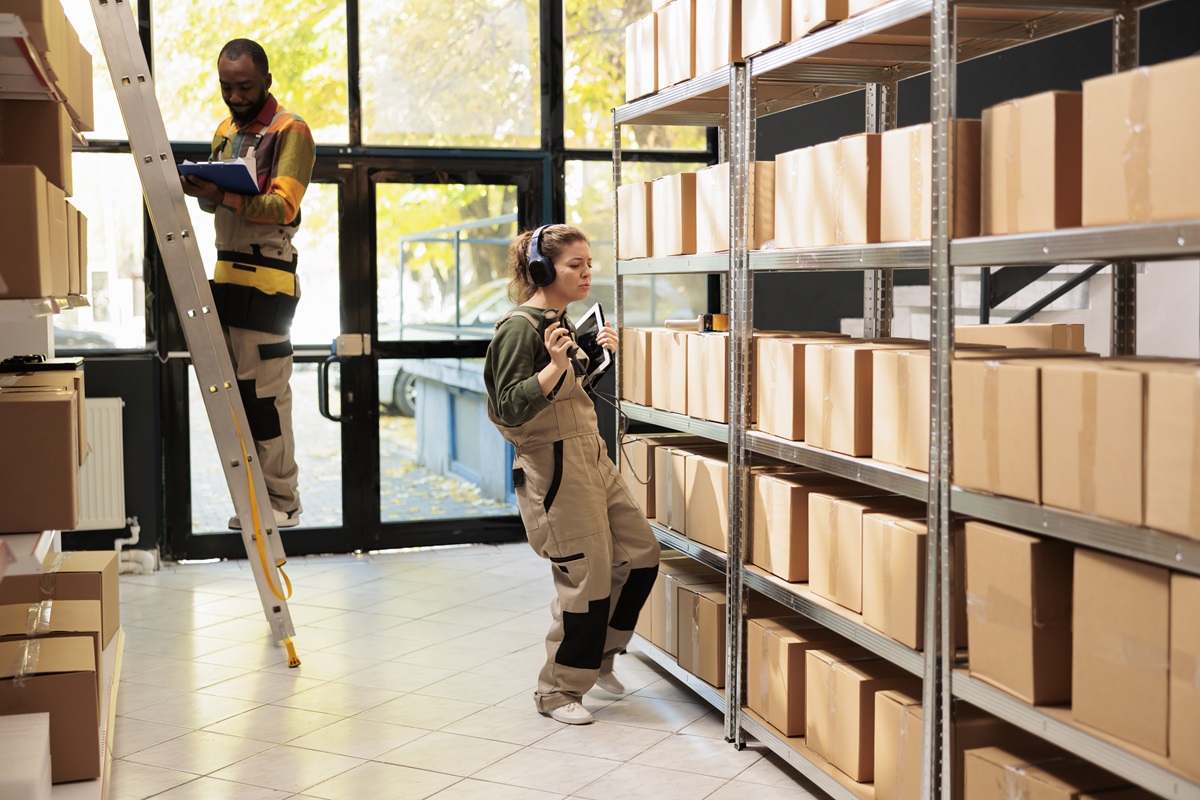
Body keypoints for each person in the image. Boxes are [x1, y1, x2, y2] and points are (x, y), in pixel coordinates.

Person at [483, 224, 661, 725]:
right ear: (542, 270)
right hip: (554, 465)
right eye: (574, 265)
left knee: (640, 555)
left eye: (588, 263)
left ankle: (597, 658)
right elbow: (507, 409)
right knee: (585, 578)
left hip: (590, 455)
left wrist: (595, 357)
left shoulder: (558, 320)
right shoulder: (519, 328)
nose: (586, 273)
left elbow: (568, 391)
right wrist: (555, 365)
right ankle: (558, 691)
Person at [180, 39, 315, 530]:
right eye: (226, 87)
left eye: (245, 87)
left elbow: (283, 207)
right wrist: (204, 191)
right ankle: (258, 498)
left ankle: (284, 501)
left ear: (267, 81)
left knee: (265, 398)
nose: (235, 96)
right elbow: (217, 204)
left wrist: (223, 195)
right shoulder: (225, 131)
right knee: (237, 395)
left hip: (268, 278)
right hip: (227, 274)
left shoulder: (290, 131)